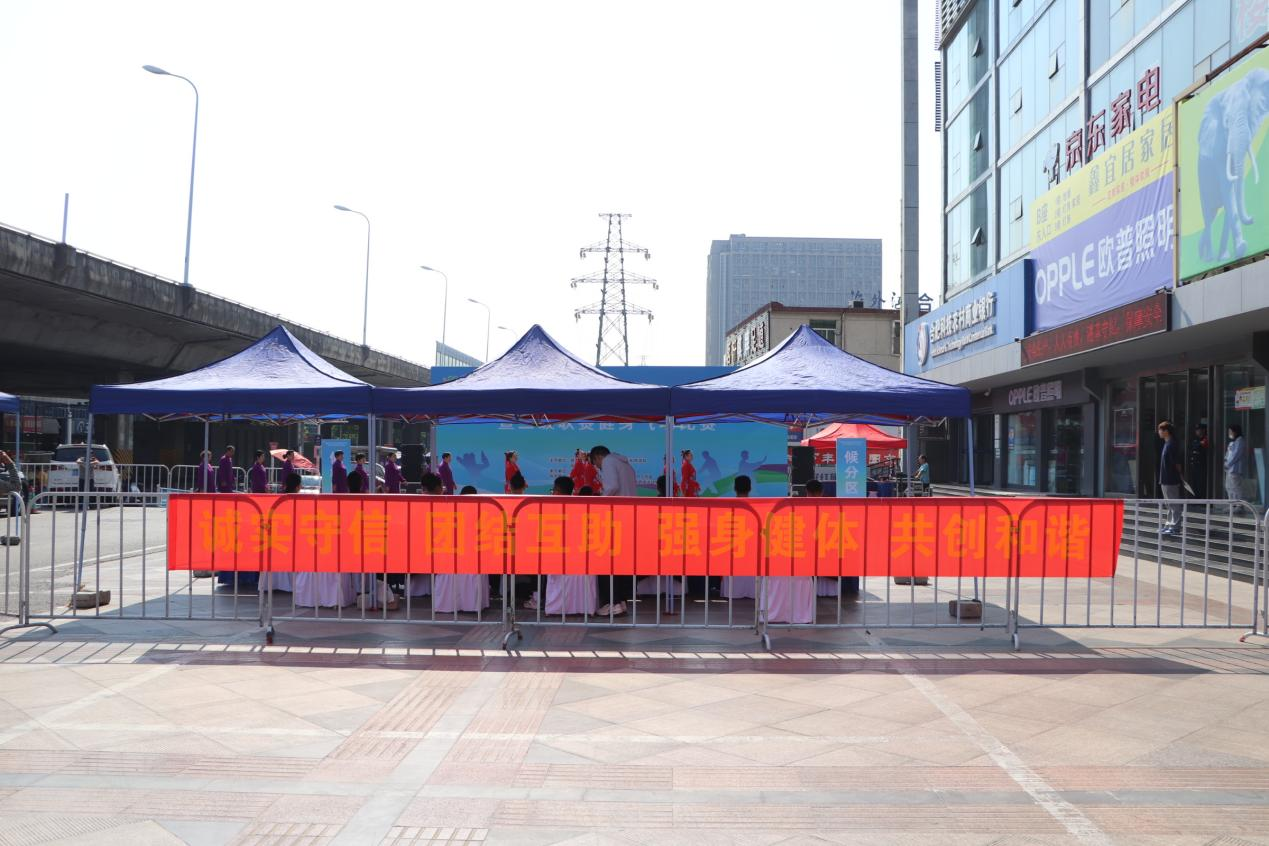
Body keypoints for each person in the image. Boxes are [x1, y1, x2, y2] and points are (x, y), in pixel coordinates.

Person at [524, 476, 598, 616]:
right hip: (581, 560)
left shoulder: (550, 509)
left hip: (559, 558)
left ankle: (540, 599)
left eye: (553, 491)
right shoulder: (581, 508)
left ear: (557, 491)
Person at [721, 475, 756, 599]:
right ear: (750, 488)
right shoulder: (756, 505)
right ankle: (752, 592)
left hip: (733, 546)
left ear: (734, 488)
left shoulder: (728, 505)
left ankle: (733, 592)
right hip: (751, 545)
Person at [1158, 421, 1185, 535]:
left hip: (1171, 479)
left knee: (1174, 504)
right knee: (1168, 504)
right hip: (1165, 478)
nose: (1159, 432)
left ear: (1166, 431)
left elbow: (1177, 463)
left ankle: (1175, 527)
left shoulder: (1172, 444)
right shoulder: (1166, 443)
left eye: (1160, 430)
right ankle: (1169, 524)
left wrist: (1180, 475)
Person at [1225, 424, 1248, 502]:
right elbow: (1228, 454)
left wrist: (1228, 464)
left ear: (1235, 432)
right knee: (1229, 487)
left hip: (1235, 469)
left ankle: (1239, 504)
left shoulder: (1240, 441)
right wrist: (1225, 462)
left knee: (1236, 487)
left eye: (1230, 432)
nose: (1229, 433)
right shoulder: (1233, 442)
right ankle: (1232, 504)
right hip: (1229, 469)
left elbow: (1236, 454)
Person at [1188, 425, 1210, 499]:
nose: (1197, 431)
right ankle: (1195, 499)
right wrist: (1199, 444)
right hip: (1194, 465)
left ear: (1203, 430)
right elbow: (1192, 446)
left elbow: (1203, 445)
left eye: (1199, 430)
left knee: (1201, 484)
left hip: (1201, 465)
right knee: (1194, 484)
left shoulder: (1205, 438)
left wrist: (1199, 444)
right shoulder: (1195, 439)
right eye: (1196, 430)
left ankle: (1202, 500)